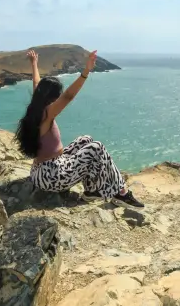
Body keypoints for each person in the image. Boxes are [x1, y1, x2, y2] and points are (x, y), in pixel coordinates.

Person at [14, 48, 144, 209]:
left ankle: (91, 191)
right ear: (51, 98)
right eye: (56, 97)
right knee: (96, 148)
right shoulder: (46, 113)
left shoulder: (37, 107)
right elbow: (68, 96)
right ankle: (121, 193)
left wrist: (34, 63)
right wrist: (86, 72)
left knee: (85, 140)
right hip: (51, 176)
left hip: (45, 170)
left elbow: (36, 82)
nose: (58, 100)